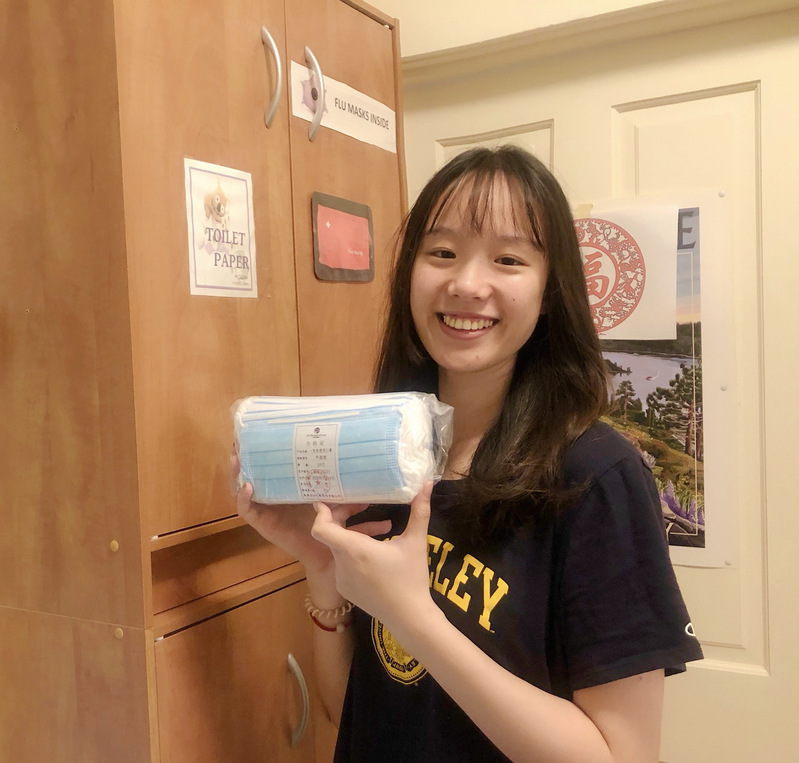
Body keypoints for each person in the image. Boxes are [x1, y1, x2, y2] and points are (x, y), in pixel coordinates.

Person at [234, 146, 703, 762]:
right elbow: (354, 711)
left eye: (508, 259)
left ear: (550, 291)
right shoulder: (386, 457)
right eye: (442, 253)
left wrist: (415, 618)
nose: (465, 284)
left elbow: (622, 756)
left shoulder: (595, 475)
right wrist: (324, 572)